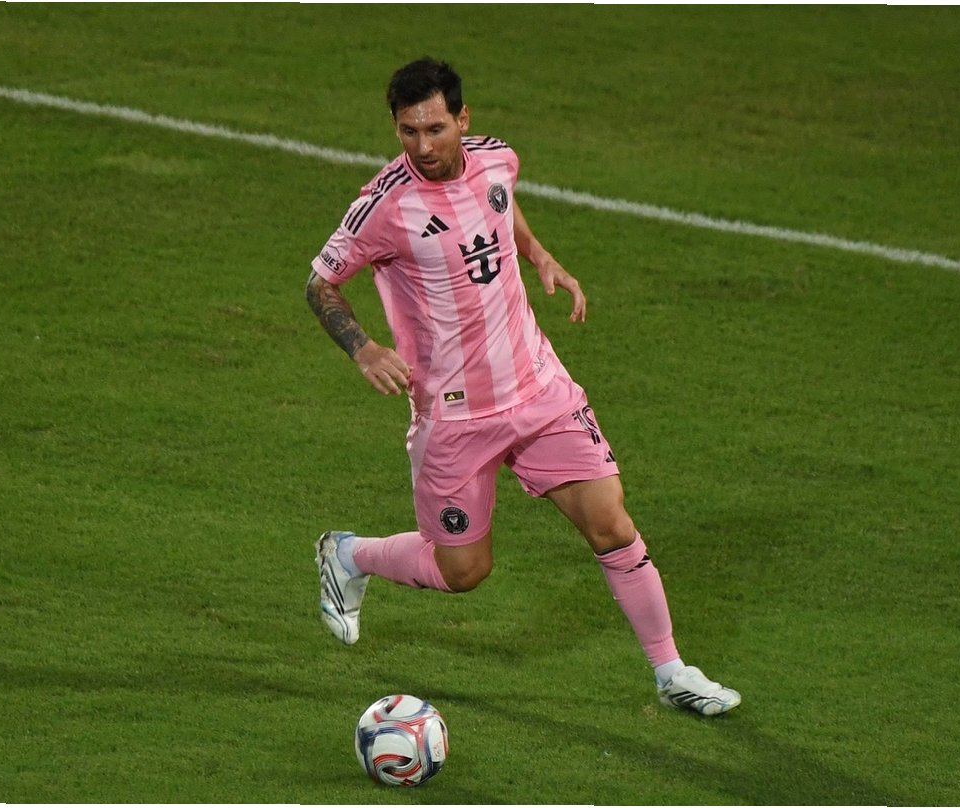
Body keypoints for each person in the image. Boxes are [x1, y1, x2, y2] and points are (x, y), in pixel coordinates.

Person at [306, 57, 739, 716]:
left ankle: (671, 671)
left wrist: (539, 255)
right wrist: (362, 347)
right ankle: (350, 555)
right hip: (454, 416)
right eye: (408, 132)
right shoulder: (385, 206)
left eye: (434, 128)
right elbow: (321, 283)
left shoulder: (497, 159)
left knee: (611, 523)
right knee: (464, 571)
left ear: (463, 119)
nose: (422, 145)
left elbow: (500, 208)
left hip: (538, 389)